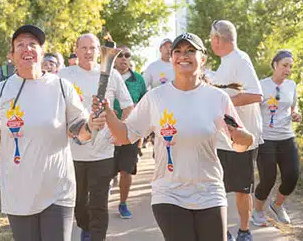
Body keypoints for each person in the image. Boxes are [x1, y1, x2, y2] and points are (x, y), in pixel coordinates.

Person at [93, 32, 254, 241]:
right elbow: (125, 135)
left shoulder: (217, 98)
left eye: (190, 51)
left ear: (202, 58)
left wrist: (244, 137)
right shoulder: (156, 98)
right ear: (171, 59)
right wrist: (108, 114)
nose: (182, 55)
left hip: (209, 191)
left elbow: (240, 144)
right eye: (177, 51)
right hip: (168, 193)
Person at [0, 25, 105, 241]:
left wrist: (91, 125)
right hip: (19, 194)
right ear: (12, 55)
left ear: (42, 52)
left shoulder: (63, 87)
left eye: (33, 44)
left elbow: (80, 132)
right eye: (20, 45)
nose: (27, 49)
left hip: (58, 190)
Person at [58, 33, 133, 241]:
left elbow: (128, 106)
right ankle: (87, 229)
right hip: (73, 152)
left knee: (98, 203)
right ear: (76, 50)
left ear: (99, 51)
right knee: (78, 203)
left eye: (93, 48)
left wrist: (120, 132)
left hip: (103, 151)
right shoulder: (63, 76)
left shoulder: (111, 75)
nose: (88, 52)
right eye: (84, 48)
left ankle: (96, 237)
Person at [210, 20, 263, 241]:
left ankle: (244, 231)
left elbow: (256, 94)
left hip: (243, 139)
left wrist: (225, 105)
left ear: (217, 39)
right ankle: (224, 232)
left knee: (242, 189)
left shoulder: (240, 59)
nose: (211, 42)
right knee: (216, 187)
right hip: (222, 140)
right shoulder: (224, 63)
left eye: (211, 38)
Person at [252, 50, 301, 226]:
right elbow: (253, 112)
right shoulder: (261, 85)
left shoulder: (292, 86)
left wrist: (296, 115)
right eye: (284, 65)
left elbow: (293, 108)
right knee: (268, 178)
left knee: (292, 175)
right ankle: (257, 211)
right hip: (266, 139)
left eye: (290, 67)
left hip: (287, 137)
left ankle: (277, 205)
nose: (287, 70)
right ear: (274, 65)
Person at [113, 45, 147, 219]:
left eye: (127, 55)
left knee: (126, 171)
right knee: (104, 171)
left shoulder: (138, 80)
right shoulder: (106, 77)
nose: (124, 59)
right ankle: (98, 206)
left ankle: (123, 203)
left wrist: (141, 136)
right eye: (120, 55)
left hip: (130, 133)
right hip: (107, 132)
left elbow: (144, 105)